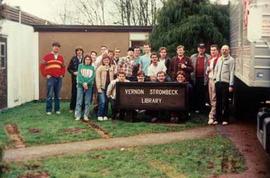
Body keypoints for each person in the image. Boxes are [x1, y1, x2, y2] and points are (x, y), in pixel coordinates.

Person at [40, 42, 65, 115]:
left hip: (58, 78)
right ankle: (49, 110)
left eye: (57, 47)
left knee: (57, 95)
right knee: (50, 94)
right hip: (51, 78)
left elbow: (63, 67)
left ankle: (57, 109)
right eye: (55, 46)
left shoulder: (61, 57)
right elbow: (42, 66)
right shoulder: (47, 56)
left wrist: (62, 74)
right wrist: (45, 74)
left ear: (59, 48)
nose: (56, 48)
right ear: (52, 47)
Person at [213, 45, 235, 125]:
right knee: (218, 101)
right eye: (223, 49)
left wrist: (231, 85)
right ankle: (217, 119)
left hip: (226, 83)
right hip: (218, 82)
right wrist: (215, 79)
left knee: (225, 101)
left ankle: (225, 119)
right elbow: (216, 69)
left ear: (229, 50)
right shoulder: (219, 59)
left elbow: (232, 72)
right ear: (221, 50)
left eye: (226, 50)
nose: (224, 51)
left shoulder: (231, 60)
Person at [190, 43, 211, 113]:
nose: (201, 50)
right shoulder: (193, 56)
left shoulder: (208, 57)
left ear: (204, 49)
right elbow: (190, 67)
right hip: (195, 78)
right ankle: (196, 108)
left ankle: (203, 108)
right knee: (196, 93)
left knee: (203, 93)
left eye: (202, 48)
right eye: (200, 48)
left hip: (205, 78)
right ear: (197, 49)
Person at [74, 54, 95, 121]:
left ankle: (86, 115)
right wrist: (83, 83)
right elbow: (79, 75)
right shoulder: (80, 66)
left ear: (90, 61)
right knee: (79, 100)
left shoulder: (92, 67)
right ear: (84, 60)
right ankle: (78, 115)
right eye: (86, 59)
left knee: (87, 101)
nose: (87, 61)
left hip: (89, 86)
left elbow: (92, 77)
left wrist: (87, 83)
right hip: (80, 85)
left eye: (89, 59)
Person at [95, 55, 115, 121]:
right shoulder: (100, 68)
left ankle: (105, 115)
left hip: (109, 88)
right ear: (103, 61)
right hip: (102, 88)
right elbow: (97, 78)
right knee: (102, 101)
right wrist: (98, 88)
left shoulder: (112, 67)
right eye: (105, 60)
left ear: (109, 61)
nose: (106, 61)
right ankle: (100, 115)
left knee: (106, 102)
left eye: (107, 60)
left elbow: (114, 76)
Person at [67, 46, 84, 112]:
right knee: (74, 93)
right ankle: (72, 108)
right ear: (76, 52)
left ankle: (82, 108)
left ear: (82, 52)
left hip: (83, 79)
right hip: (75, 79)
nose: (79, 52)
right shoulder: (73, 59)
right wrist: (73, 72)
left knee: (82, 93)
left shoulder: (85, 59)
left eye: (80, 51)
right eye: (78, 51)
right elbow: (68, 68)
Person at [206, 44, 220, 125]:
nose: (213, 52)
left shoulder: (219, 59)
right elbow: (207, 71)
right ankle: (214, 116)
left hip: (215, 80)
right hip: (210, 80)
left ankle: (211, 116)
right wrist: (207, 70)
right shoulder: (210, 59)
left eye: (214, 50)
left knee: (214, 98)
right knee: (211, 99)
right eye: (211, 50)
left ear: (217, 51)